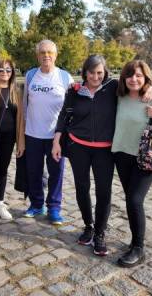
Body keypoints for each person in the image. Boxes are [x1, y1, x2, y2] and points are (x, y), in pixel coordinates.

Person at [112, 60, 152, 267]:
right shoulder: (119, 98)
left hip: (148, 157)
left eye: (139, 76)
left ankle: (139, 249)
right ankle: (134, 242)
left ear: (146, 78)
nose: (134, 79)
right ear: (124, 78)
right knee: (131, 200)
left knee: (134, 200)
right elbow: (96, 81)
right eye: (130, 75)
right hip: (122, 155)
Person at [52, 55, 117, 256]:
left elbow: (137, 91)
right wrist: (56, 140)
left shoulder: (114, 88)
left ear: (105, 72)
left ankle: (100, 233)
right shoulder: (75, 91)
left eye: (99, 72)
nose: (95, 77)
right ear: (85, 72)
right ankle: (88, 226)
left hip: (105, 149)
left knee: (104, 191)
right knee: (82, 187)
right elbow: (64, 115)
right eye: (91, 72)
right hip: (78, 145)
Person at [23, 40, 73, 225]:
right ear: (37, 55)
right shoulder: (30, 76)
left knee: (56, 173)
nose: (46, 56)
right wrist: (21, 138)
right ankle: (36, 204)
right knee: (34, 172)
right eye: (42, 52)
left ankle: (54, 207)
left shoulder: (65, 77)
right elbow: (24, 106)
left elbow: (72, 107)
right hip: (33, 133)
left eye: (50, 52)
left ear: (55, 55)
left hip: (56, 137)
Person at [0, 59, 25, 225]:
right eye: (1, 70)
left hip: (10, 138)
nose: (4, 73)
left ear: (12, 72)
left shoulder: (16, 91)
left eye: (8, 70)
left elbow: (21, 118)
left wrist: (20, 142)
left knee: (3, 170)